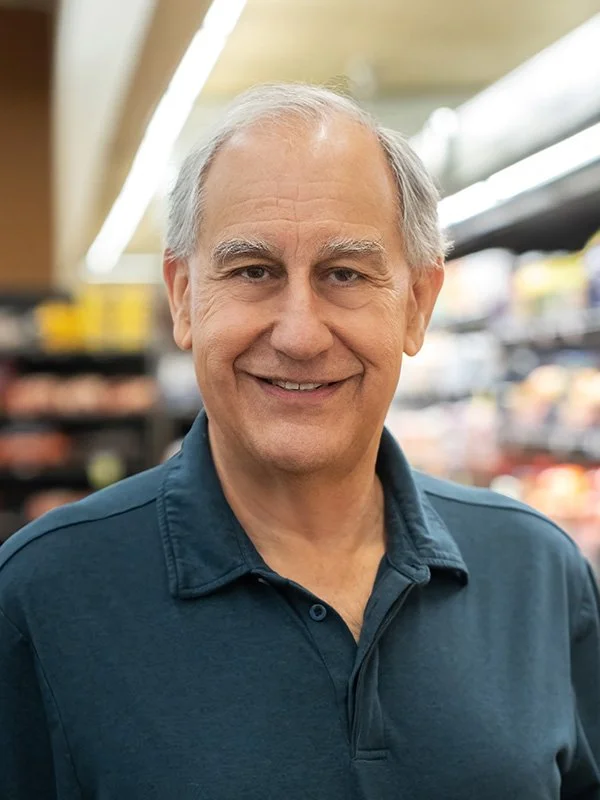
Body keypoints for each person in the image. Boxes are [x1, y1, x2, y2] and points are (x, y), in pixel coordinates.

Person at [1, 84, 598, 800]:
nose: (300, 334)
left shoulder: (538, 572)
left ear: (416, 305)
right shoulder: (41, 594)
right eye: (253, 272)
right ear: (184, 296)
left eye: (344, 274)